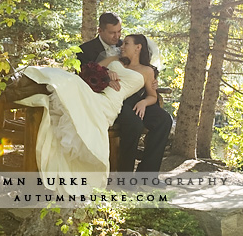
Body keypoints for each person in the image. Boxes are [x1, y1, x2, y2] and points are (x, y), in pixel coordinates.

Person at [14, 35, 155, 194]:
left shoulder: (147, 71)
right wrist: (106, 75)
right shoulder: (115, 59)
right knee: (72, 81)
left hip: (110, 103)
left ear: (138, 47)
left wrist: (144, 102)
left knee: (72, 94)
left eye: (127, 43)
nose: (122, 45)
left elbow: (153, 95)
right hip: (95, 94)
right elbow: (87, 71)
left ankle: (23, 84)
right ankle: (22, 80)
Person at [77, 12, 172, 173]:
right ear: (100, 31)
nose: (117, 37)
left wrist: (152, 83)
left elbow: (142, 69)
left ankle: (147, 173)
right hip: (112, 96)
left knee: (164, 120)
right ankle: (125, 174)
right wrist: (105, 77)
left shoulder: (128, 44)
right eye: (112, 32)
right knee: (134, 123)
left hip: (138, 97)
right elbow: (86, 75)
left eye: (119, 31)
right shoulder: (85, 50)